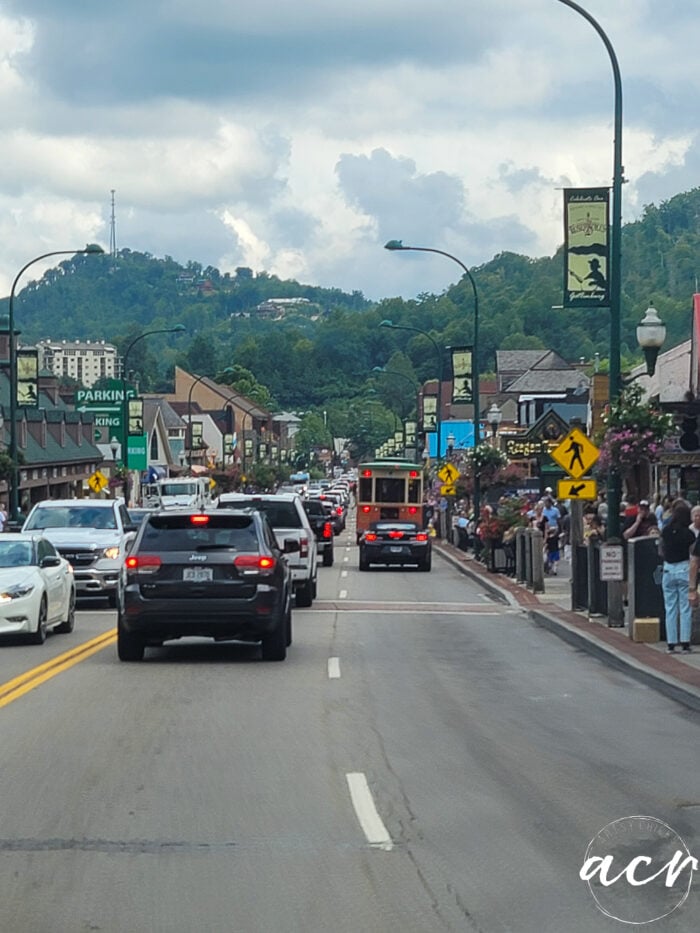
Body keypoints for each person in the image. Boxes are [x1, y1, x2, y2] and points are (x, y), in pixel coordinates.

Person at [660, 501, 694, 652]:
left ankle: (671, 643)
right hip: (684, 568)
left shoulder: (666, 531)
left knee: (670, 607)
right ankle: (685, 642)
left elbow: (661, 550)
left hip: (668, 569)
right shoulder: (689, 533)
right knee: (685, 608)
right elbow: (693, 553)